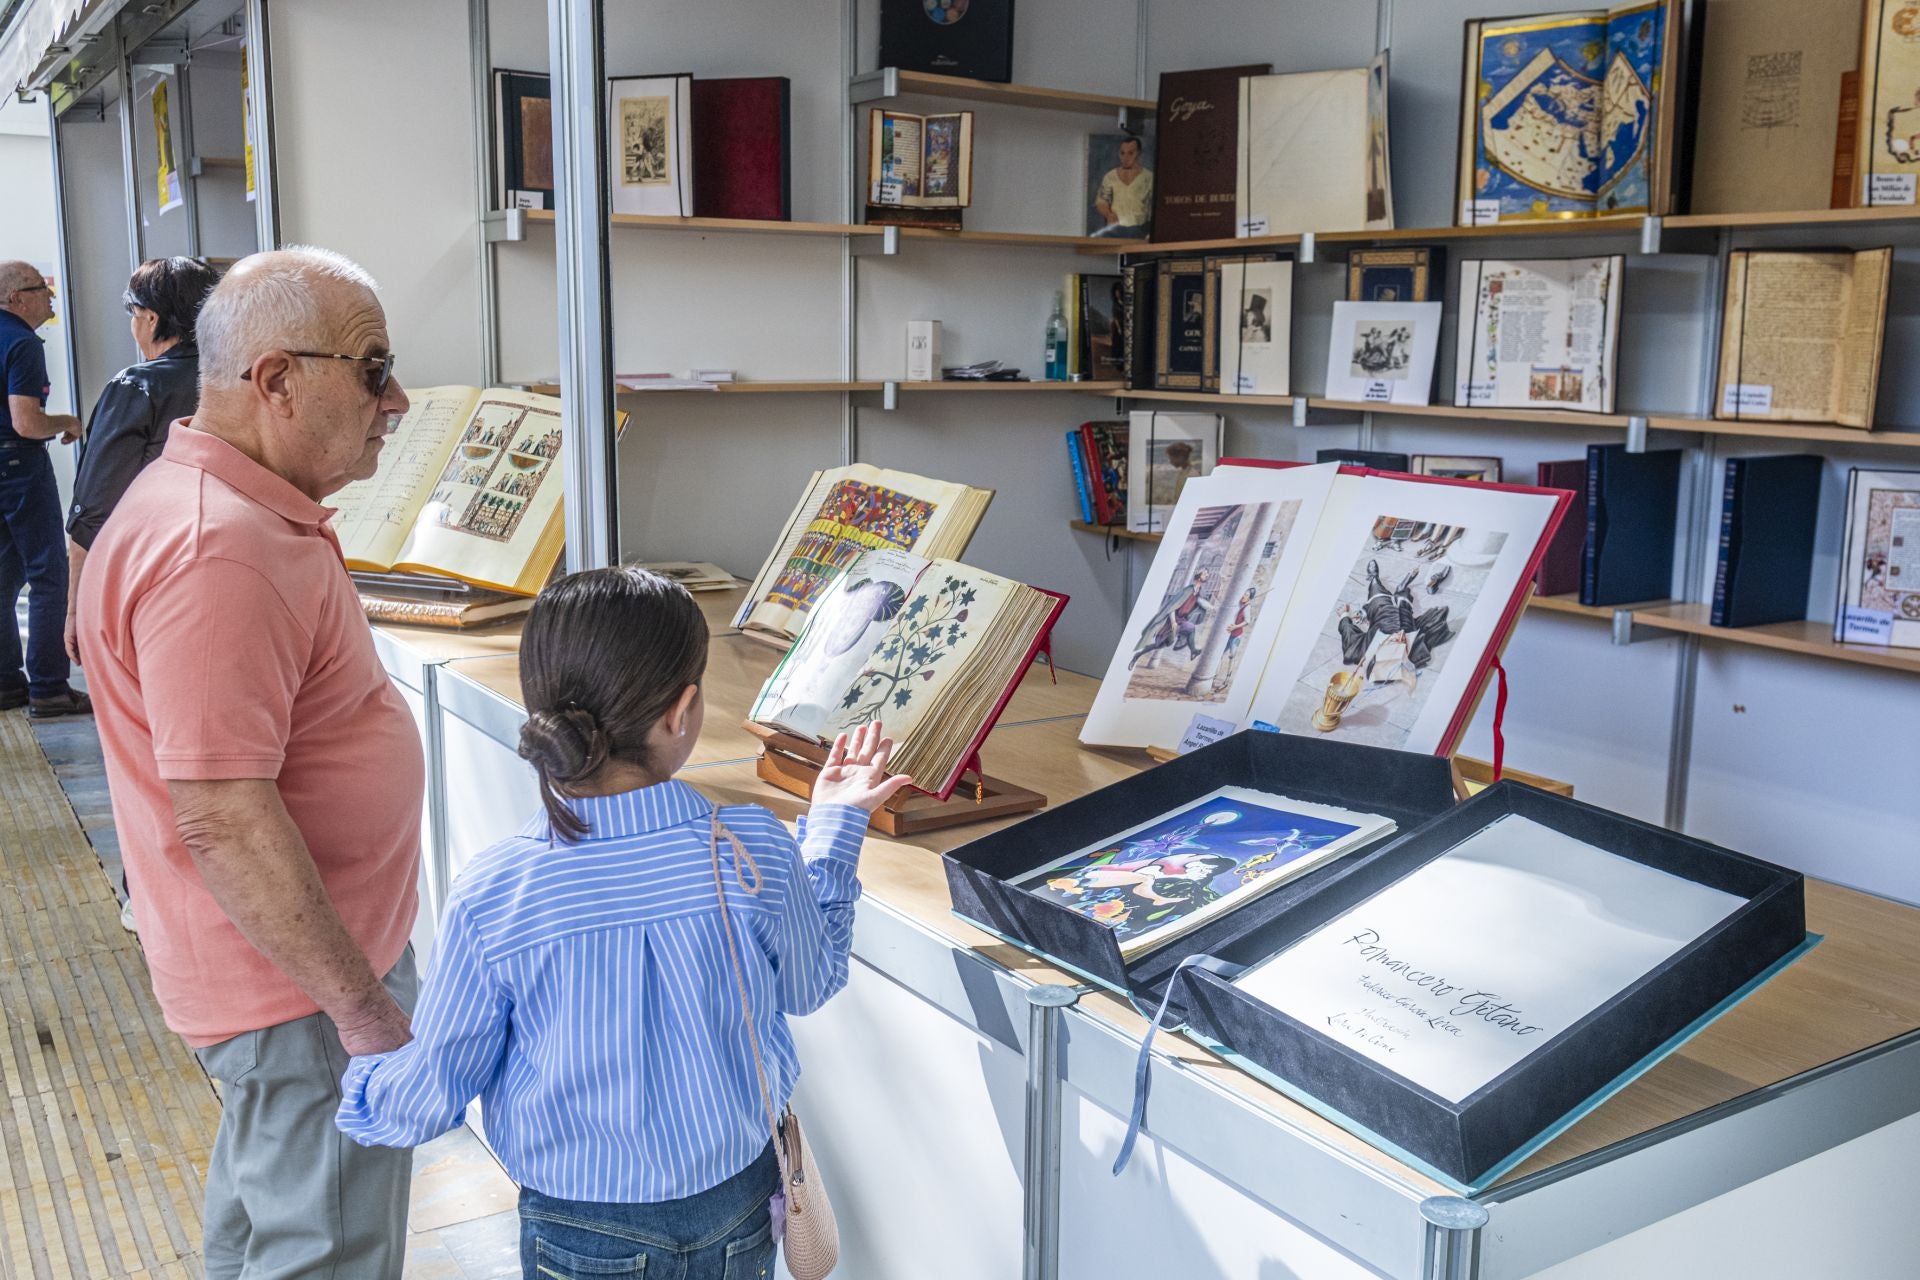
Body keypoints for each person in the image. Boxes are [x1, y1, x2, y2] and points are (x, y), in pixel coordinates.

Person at [335, 567, 912, 1277]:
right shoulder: (750, 848)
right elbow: (810, 981)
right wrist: (833, 830)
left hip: (581, 1227)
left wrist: (364, 1084)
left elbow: (430, 1094)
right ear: (682, 711)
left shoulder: (498, 891)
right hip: (736, 1203)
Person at [78, 246, 421, 1276]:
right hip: (301, 996)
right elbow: (223, 815)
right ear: (276, 380)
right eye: (372, 369)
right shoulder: (219, 548)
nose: (396, 400)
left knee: (266, 1226)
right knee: (325, 1251)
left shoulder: (228, 509)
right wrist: (362, 1009)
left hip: (285, 981)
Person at [64, 257, 219, 668]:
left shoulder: (137, 386)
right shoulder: (244, 379)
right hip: (238, 565)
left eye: (133, 314)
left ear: (150, 318)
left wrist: (76, 607)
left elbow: (93, 509)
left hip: (152, 580)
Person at [0, 260, 86, 718]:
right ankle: (50, 687)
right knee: (49, 575)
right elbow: (27, 422)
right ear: (16, 298)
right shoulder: (22, 343)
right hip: (18, 466)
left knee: (4, 576)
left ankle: (5, 684)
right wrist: (69, 422)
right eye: (40, 288)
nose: (50, 296)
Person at [1092, 135, 1154, 238]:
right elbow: (1101, 201)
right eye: (1122, 153)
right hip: (1116, 229)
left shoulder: (1149, 177)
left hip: (1140, 229)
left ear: (1138, 154)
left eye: (1130, 153)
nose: (1126, 158)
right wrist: (1108, 214)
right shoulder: (1110, 176)